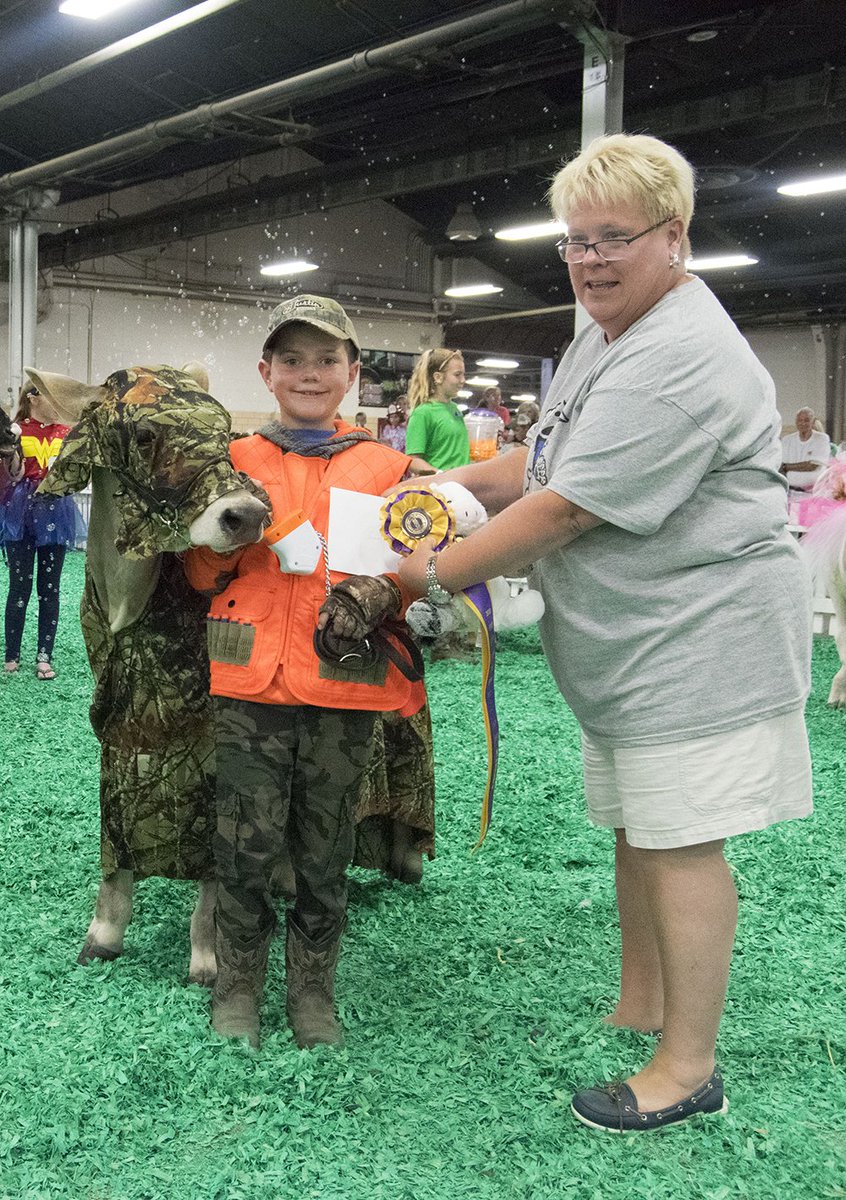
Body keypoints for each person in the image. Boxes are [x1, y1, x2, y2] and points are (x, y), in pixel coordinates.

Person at [393, 133, 812, 1133]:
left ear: (676, 236)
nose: (588, 260)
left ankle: (688, 1068)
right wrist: (434, 485)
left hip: (697, 643)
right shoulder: (606, 328)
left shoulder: (681, 355)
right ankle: (645, 1005)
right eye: (575, 240)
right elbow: (540, 459)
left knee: (679, 843)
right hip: (633, 645)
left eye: (613, 237)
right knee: (638, 828)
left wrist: (432, 571)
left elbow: (568, 507)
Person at [184, 293, 426, 1050]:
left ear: (353, 373)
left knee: (325, 848)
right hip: (246, 676)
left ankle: (313, 995)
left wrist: (383, 589)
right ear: (266, 371)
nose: (309, 372)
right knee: (244, 844)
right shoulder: (232, 460)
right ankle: (237, 991)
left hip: (343, 679)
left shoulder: (391, 469)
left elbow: (426, 562)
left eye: (327, 359)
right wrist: (229, 537)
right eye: (291, 358)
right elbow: (195, 572)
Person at [1, 382, 80, 679]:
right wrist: (13, 447)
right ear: (33, 399)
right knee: (19, 587)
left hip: (56, 513)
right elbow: (14, 474)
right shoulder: (15, 429)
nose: (57, 401)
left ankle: (44, 656)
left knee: (50, 589)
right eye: (50, 395)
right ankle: (12, 655)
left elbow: (74, 474)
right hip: (21, 512)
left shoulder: (65, 432)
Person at [404, 348, 470, 471]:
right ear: (438, 377)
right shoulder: (423, 413)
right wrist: (439, 475)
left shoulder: (455, 409)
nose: (463, 380)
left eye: (463, 374)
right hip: (439, 487)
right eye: (457, 374)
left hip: (459, 484)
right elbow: (413, 460)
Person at [780, 407, 831, 491]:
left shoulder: (822, 438)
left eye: (806, 420)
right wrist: (786, 467)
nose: (803, 423)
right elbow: (781, 465)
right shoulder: (787, 440)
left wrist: (787, 467)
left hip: (813, 491)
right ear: (796, 422)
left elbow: (812, 465)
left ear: (813, 422)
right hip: (790, 489)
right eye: (800, 420)